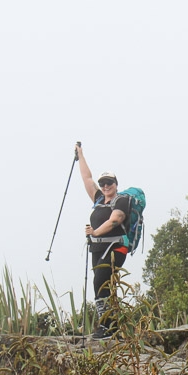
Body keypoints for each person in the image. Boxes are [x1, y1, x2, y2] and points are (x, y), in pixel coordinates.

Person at [77, 144, 132, 340]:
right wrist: (80, 155)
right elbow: (87, 178)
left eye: (109, 182)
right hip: (98, 248)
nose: (105, 186)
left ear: (116, 183)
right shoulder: (99, 199)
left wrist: (94, 232)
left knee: (101, 282)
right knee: (103, 285)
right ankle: (111, 325)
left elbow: (115, 220)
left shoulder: (121, 200)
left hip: (116, 247)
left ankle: (107, 327)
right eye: (103, 183)